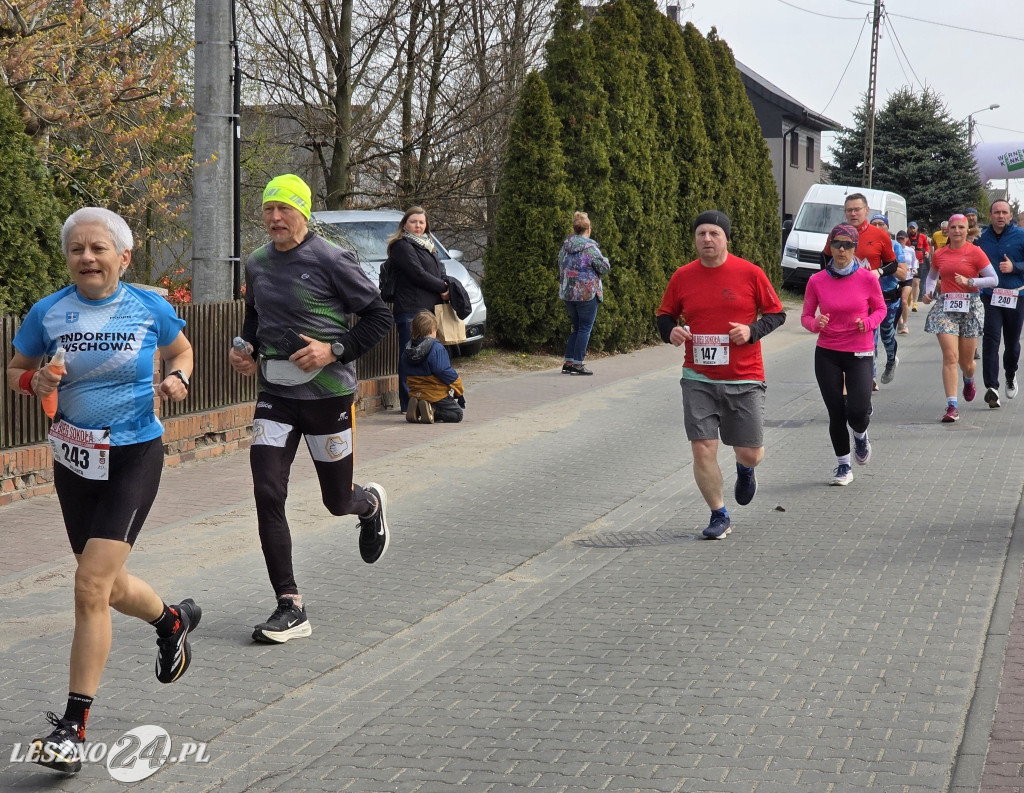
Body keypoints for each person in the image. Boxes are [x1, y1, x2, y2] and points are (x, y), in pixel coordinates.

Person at [6, 207, 197, 774]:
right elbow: (15, 371)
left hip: (134, 454)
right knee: (107, 589)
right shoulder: (47, 312)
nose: (87, 258)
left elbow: (182, 350)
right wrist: (34, 379)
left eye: (98, 249)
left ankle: (72, 728)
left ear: (123, 257)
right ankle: (170, 620)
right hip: (74, 460)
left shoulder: (147, 307)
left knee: (89, 584)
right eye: (77, 250)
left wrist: (178, 377)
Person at [230, 174, 394, 643]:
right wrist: (245, 349)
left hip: (328, 396)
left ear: (303, 212)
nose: (275, 217)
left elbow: (379, 316)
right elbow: (255, 318)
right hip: (275, 396)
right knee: (267, 492)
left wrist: (333, 350)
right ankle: (290, 604)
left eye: (284, 209)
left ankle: (369, 504)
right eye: (268, 209)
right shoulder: (257, 262)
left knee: (336, 501)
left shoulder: (331, 259)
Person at [657, 210, 786, 540]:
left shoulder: (750, 273)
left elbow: (776, 314)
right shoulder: (683, 276)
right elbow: (665, 315)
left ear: (726, 238)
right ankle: (719, 514)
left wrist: (751, 330)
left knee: (751, 452)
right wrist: (670, 331)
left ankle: (745, 468)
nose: (707, 239)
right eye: (701, 233)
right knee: (702, 447)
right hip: (698, 377)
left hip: (744, 377)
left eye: (714, 233)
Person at [802, 224, 886, 485]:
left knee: (857, 412)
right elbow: (806, 316)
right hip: (828, 352)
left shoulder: (867, 279)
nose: (841, 249)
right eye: (837, 244)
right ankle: (843, 466)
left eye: (847, 245)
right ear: (830, 247)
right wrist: (816, 324)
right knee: (836, 412)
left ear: (854, 248)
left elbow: (880, 309)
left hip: (860, 351)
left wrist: (868, 323)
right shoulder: (817, 281)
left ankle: (860, 436)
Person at [922, 213, 999, 422]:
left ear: (967, 230)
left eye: (961, 227)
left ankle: (969, 378)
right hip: (946, 306)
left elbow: (993, 279)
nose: (957, 231)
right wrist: (928, 292)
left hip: (971, 306)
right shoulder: (940, 254)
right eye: (953, 227)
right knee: (950, 356)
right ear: (947, 230)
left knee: (966, 362)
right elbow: (932, 277)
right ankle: (952, 406)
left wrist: (971, 281)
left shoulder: (976, 252)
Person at [386, 206, 451, 411]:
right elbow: (418, 274)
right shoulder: (402, 246)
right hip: (410, 310)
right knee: (410, 355)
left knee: (429, 355)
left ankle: (426, 397)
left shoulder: (428, 245)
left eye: (421, 222)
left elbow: (440, 270)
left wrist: (447, 285)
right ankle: (409, 403)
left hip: (429, 310)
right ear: (405, 224)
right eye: (413, 221)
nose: (418, 225)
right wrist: (442, 287)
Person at [977, 199, 1024, 408]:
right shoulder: (981, 239)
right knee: (991, 339)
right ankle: (992, 388)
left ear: (1010, 216)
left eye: (1004, 212)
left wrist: (1014, 267)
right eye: (996, 212)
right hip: (991, 296)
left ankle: (1010, 374)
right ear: (990, 215)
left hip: (1016, 295)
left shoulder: (1021, 235)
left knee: (1012, 343)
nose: (1000, 216)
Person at [558, 210, 611, 376]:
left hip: (568, 293)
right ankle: (578, 364)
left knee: (576, 327)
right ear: (588, 229)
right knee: (585, 328)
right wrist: (606, 260)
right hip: (586, 294)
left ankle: (568, 362)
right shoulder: (590, 248)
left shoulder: (565, 247)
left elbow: (560, 264)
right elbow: (604, 268)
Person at [400, 310, 466, 423]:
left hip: (415, 391)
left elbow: (404, 369)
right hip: (434, 393)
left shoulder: (408, 349)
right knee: (457, 414)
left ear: (412, 329)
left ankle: (419, 407)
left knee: (427, 397)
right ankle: (432, 410)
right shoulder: (436, 348)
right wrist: (458, 387)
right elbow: (443, 371)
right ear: (432, 330)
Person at [868, 213, 905, 384]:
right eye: (873, 223)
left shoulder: (895, 246)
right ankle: (871, 376)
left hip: (889, 299)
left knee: (887, 336)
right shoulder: (866, 244)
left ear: (887, 228)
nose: (877, 227)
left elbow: (903, 275)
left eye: (880, 224)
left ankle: (891, 361)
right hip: (868, 298)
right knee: (870, 338)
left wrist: (885, 266)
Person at [896, 230, 917, 333]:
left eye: (902, 239)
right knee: (897, 301)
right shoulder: (893, 249)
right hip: (896, 278)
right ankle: (899, 322)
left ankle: (905, 324)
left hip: (907, 277)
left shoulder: (910, 250)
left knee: (904, 300)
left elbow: (914, 261)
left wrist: (915, 268)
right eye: (898, 239)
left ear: (907, 239)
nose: (900, 241)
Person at [907, 221, 931, 312]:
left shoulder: (922, 236)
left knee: (916, 282)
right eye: (910, 228)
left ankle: (915, 303)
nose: (912, 230)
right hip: (909, 264)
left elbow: (926, 246)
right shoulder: (906, 237)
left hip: (919, 262)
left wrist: (927, 252)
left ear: (917, 228)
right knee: (909, 282)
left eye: (914, 228)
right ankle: (909, 297)